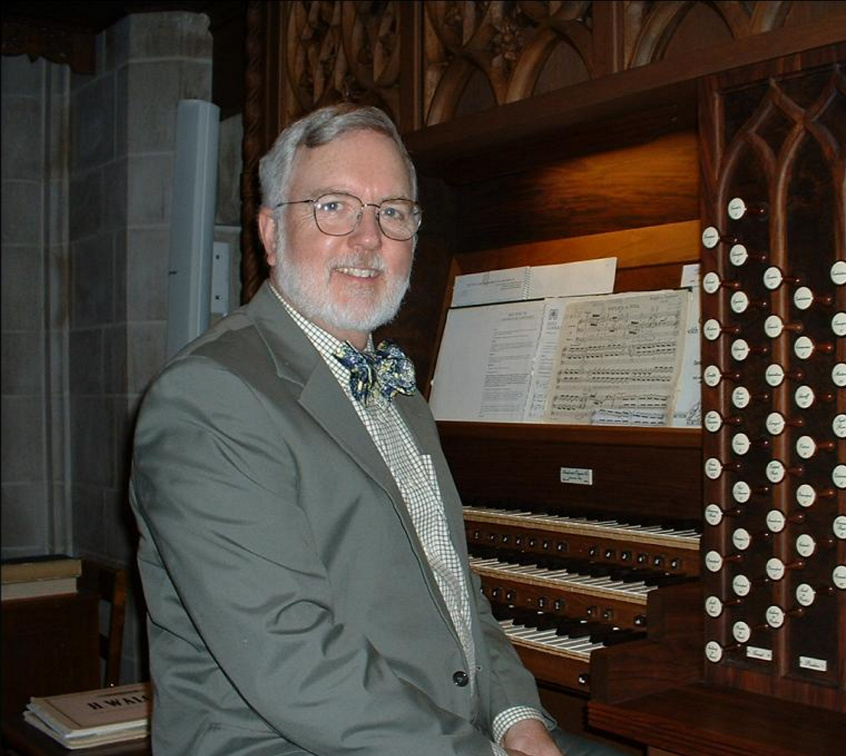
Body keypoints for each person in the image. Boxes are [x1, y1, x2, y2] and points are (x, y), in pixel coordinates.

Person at [129, 104, 625, 756]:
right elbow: (294, 660)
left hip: (441, 730)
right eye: (335, 207)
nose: (369, 239)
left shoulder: (397, 390)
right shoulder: (209, 398)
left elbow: (455, 586)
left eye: (392, 212)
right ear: (271, 232)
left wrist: (515, 717)